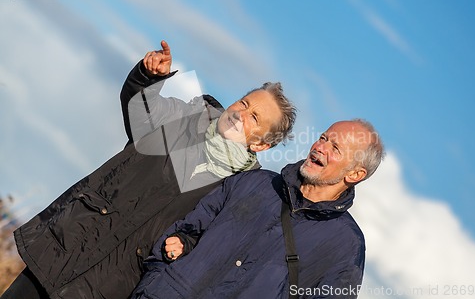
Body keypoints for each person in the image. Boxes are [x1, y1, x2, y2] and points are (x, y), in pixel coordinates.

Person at [3, 40, 296, 299]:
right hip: (67, 247)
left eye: (254, 117)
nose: (240, 114)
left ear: (261, 145)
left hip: (112, 283)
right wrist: (147, 76)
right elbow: (140, 110)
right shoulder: (188, 116)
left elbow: (208, 239)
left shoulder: (242, 189)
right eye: (244, 103)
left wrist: (185, 243)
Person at [131, 119, 385, 299]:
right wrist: (158, 284)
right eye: (323, 138)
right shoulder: (254, 182)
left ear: (355, 174)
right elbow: (186, 230)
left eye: (335, 148)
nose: (320, 147)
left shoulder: (346, 245)